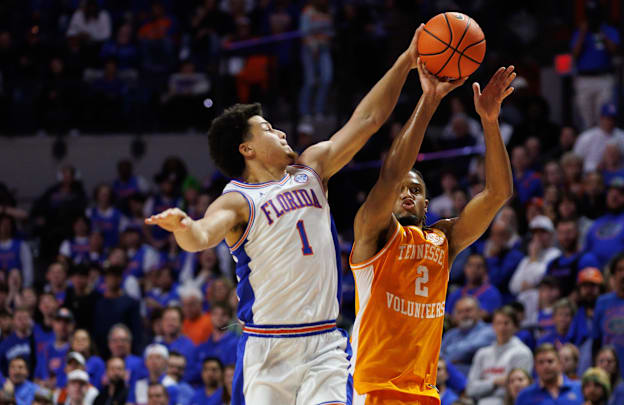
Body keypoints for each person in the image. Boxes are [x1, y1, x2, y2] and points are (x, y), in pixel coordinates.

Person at [145, 25, 424, 405]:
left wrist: (406, 62)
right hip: (268, 349)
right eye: (267, 129)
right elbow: (201, 237)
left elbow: (367, 120)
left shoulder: (313, 169)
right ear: (247, 149)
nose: (279, 132)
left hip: (324, 342)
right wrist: (183, 225)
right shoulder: (236, 200)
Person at [350, 64, 515, 404]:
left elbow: (497, 193)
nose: (407, 193)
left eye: (416, 190)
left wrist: (489, 120)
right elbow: (392, 172)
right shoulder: (373, 234)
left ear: (427, 204)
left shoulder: (444, 240)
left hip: (425, 393)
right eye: (401, 190)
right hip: (375, 392)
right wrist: (429, 100)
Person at [466, 306, 533, 405]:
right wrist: (495, 382)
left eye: (506, 323)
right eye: (498, 323)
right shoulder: (482, 353)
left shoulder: (522, 352)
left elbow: (518, 389)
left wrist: (483, 383)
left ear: (515, 326)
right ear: (493, 326)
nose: (502, 327)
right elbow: (470, 390)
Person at [570, 1, 619, 129]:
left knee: (603, 114)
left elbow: (614, 49)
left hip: (604, 78)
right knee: (586, 118)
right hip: (584, 79)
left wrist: (601, 34)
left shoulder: (608, 30)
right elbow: (574, 54)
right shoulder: (580, 31)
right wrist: (582, 33)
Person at [441, 297, 496, 375]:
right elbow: (438, 356)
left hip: (474, 378)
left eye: (468, 310)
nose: (464, 315)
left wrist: (448, 353)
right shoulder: (450, 334)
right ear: (454, 316)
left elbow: (466, 350)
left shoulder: (489, 330)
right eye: (459, 312)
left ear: (479, 312)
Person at [544, 219, 600, 297]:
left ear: (578, 233)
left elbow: (588, 291)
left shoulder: (587, 259)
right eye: (561, 233)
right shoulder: (551, 264)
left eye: (569, 232)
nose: (565, 237)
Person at [514, 344, 583, 405]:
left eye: (550, 361)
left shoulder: (580, 389)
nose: (546, 366)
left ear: (559, 363)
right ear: (535, 367)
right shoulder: (525, 396)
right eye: (541, 362)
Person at [509, 216, 560, 295]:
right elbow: (513, 286)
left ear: (552, 234)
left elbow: (538, 278)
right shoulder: (526, 259)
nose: (538, 235)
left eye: (543, 232)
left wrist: (533, 257)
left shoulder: (556, 254)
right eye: (535, 232)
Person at [573, 105, 624, 173]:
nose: (611, 122)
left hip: (618, 174)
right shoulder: (586, 137)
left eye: (613, 119)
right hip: (590, 175)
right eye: (608, 118)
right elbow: (575, 161)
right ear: (601, 118)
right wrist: (595, 167)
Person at [445, 253, 501, 319]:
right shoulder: (455, 294)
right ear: (464, 268)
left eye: (479, 266)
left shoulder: (492, 293)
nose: (474, 270)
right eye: (470, 265)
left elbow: (484, 315)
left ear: (486, 270)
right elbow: (447, 316)